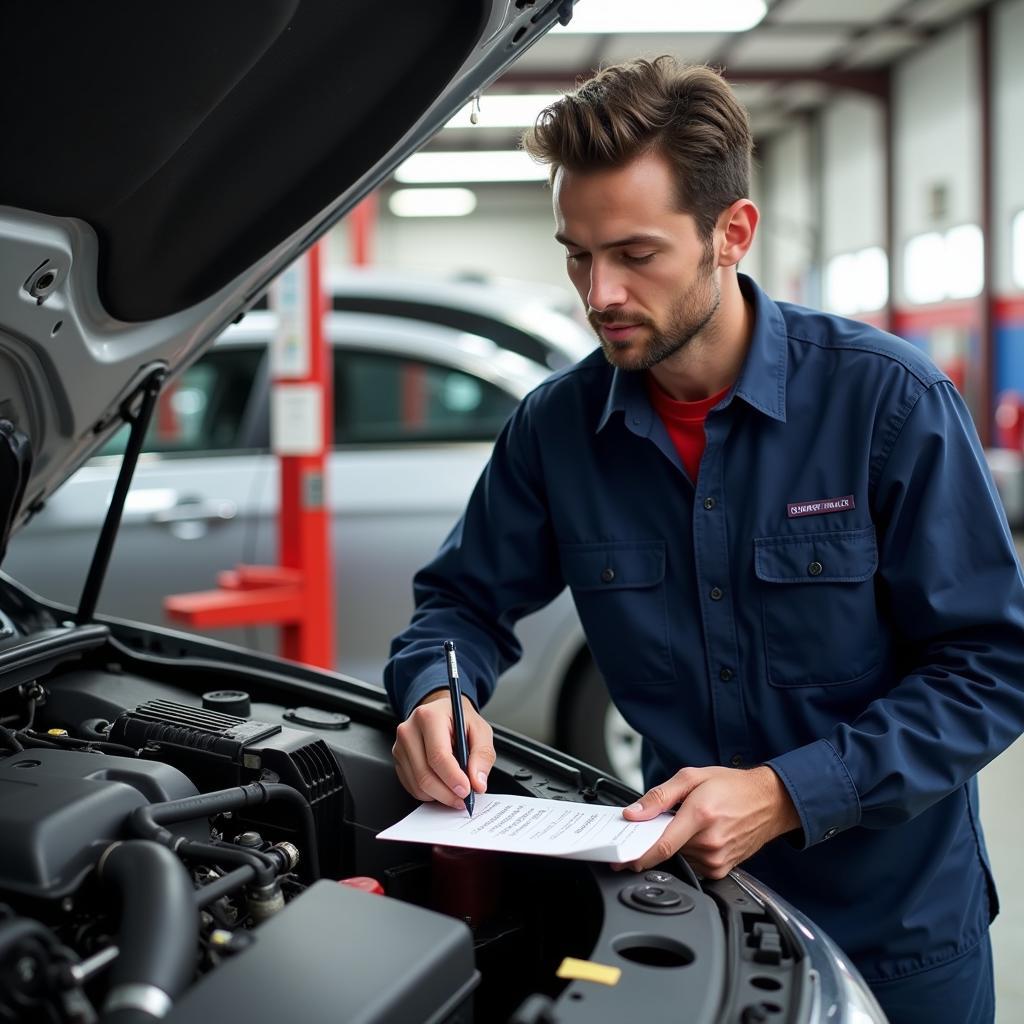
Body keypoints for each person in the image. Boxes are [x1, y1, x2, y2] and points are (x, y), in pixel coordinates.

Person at [384, 57, 1024, 1023]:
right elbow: (460, 606)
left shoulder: (888, 404)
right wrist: (439, 689)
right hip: (687, 917)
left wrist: (788, 792)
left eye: (636, 255)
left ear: (733, 233)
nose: (599, 293)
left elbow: (992, 664)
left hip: (897, 938)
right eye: (576, 254)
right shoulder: (557, 431)